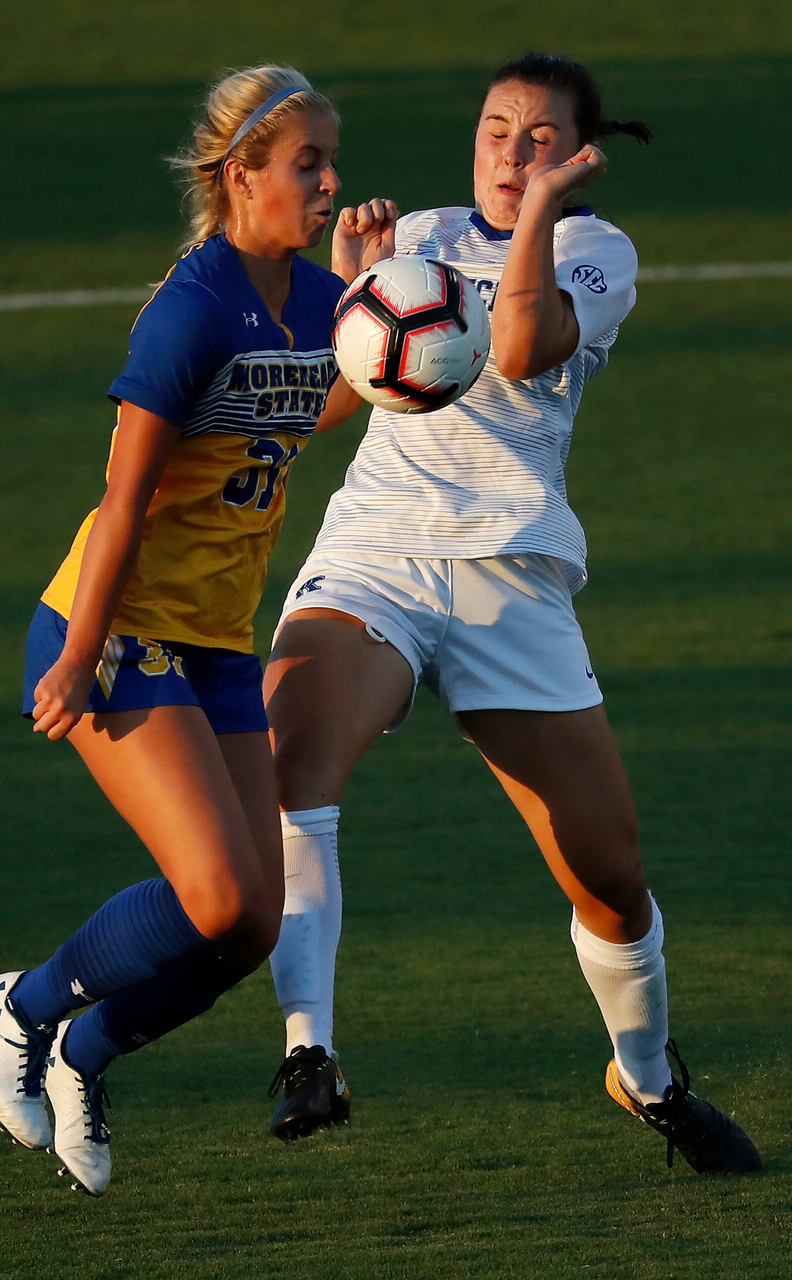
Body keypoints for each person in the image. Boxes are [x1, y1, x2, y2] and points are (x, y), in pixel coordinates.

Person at [263, 53, 761, 1174]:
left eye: (539, 138)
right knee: (291, 753)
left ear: (577, 154)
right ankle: (308, 1050)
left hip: (509, 576)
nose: (510, 153)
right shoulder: (416, 236)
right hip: (375, 553)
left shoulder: (595, 251)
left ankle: (643, 1077)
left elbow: (526, 346)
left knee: (609, 877)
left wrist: (536, 212)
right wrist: (345, 289)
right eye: (495, 131)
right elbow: (331, 402)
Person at [0, 64, 395, 1197]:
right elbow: (121, 501)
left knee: (254, 923)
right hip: (112, 630)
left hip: (214, 639)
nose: (327, 180)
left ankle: (85, 1049)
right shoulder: (191, 309)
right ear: (237, 175)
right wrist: (73, 653)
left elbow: (319, 403)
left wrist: (367, 311)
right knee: (212, 891)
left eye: (328, 158)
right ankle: (20, 1006)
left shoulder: (313, 297)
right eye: (306, 161)